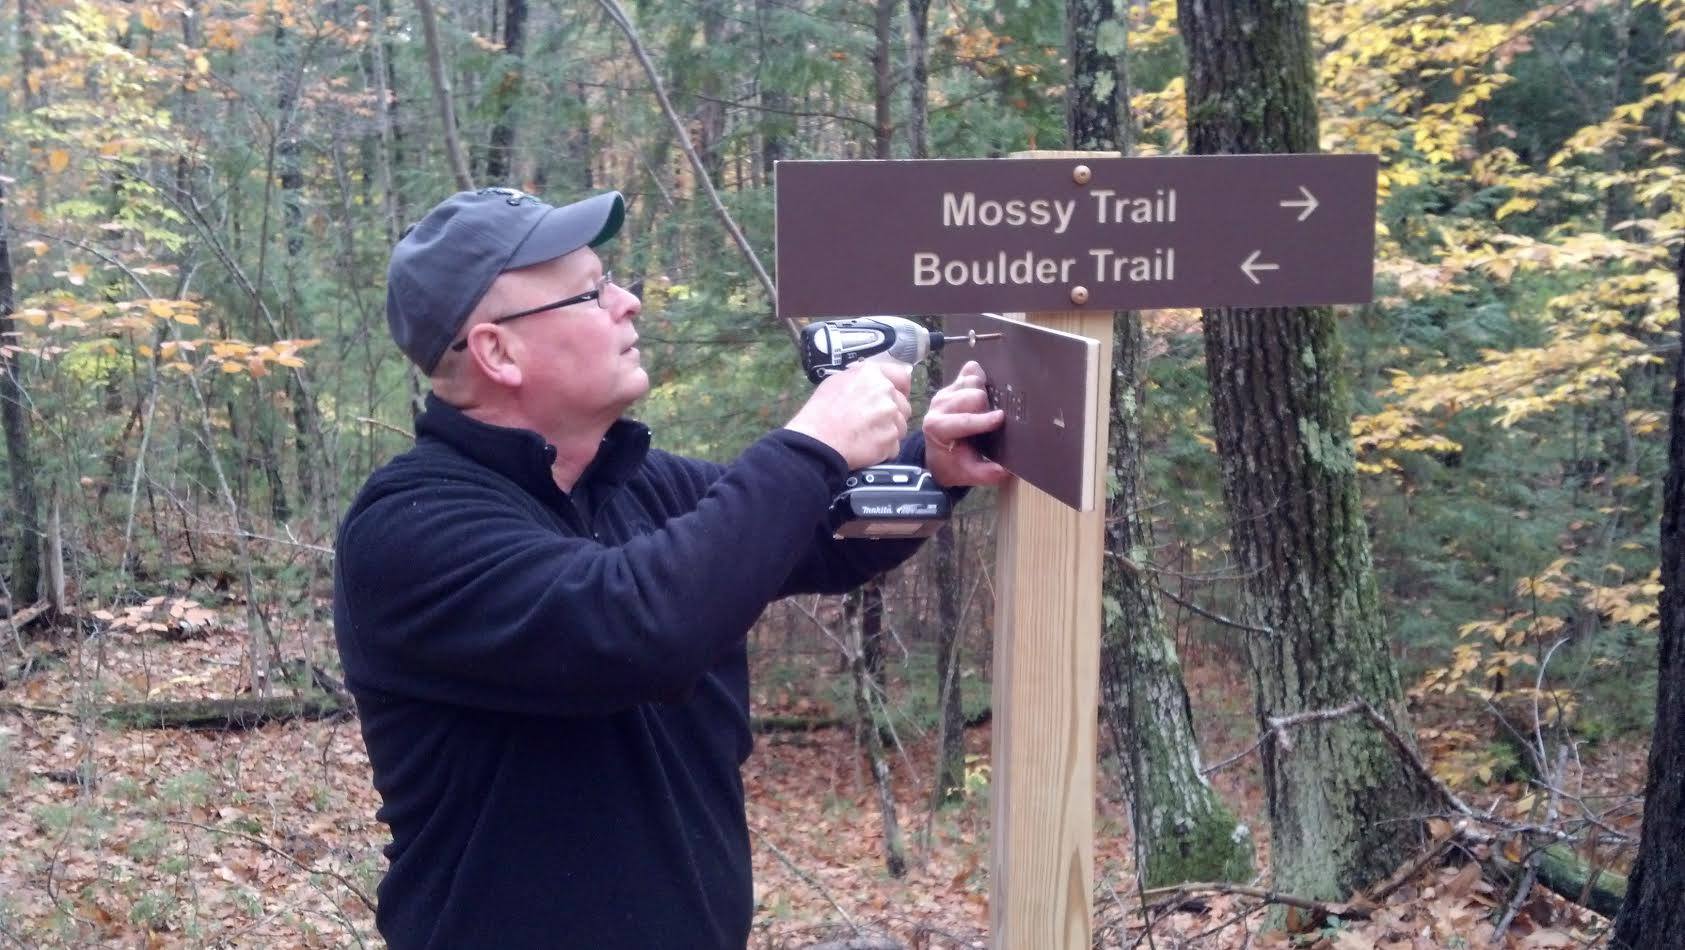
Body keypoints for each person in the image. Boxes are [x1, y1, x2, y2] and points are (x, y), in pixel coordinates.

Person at [332, 186, 1009, 949]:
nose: (628, 302)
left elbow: (816, 531)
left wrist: (932, 465)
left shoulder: (629, 482)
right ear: (497, 352)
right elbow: (639, 628)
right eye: (591, 292)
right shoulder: (409, 527)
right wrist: (810, 443)